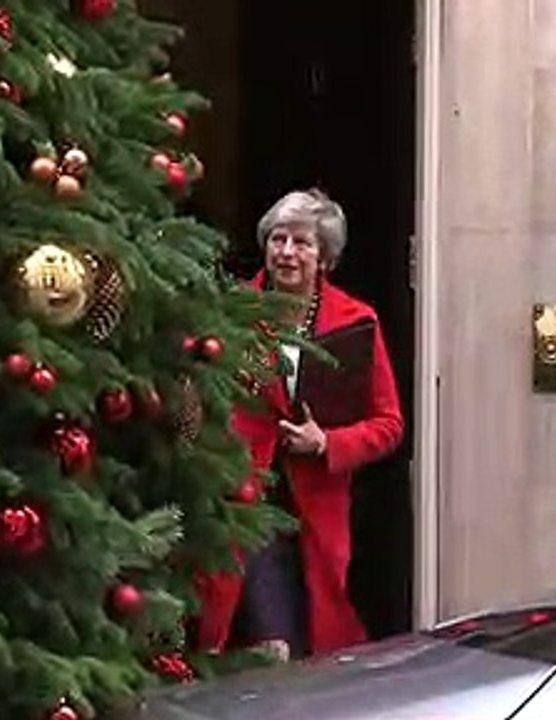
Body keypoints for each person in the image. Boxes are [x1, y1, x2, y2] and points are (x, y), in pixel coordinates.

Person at [194, 189, 404, 660]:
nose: (287, 252)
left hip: (315, 515)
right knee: (272, 643)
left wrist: (326, 441)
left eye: (302, 243)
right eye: (278, 239)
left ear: (325, 257)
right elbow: (200, 397)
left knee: (313, 646)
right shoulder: (232, 312)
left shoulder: (355, 322)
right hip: (242, 508)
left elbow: (389, 424)